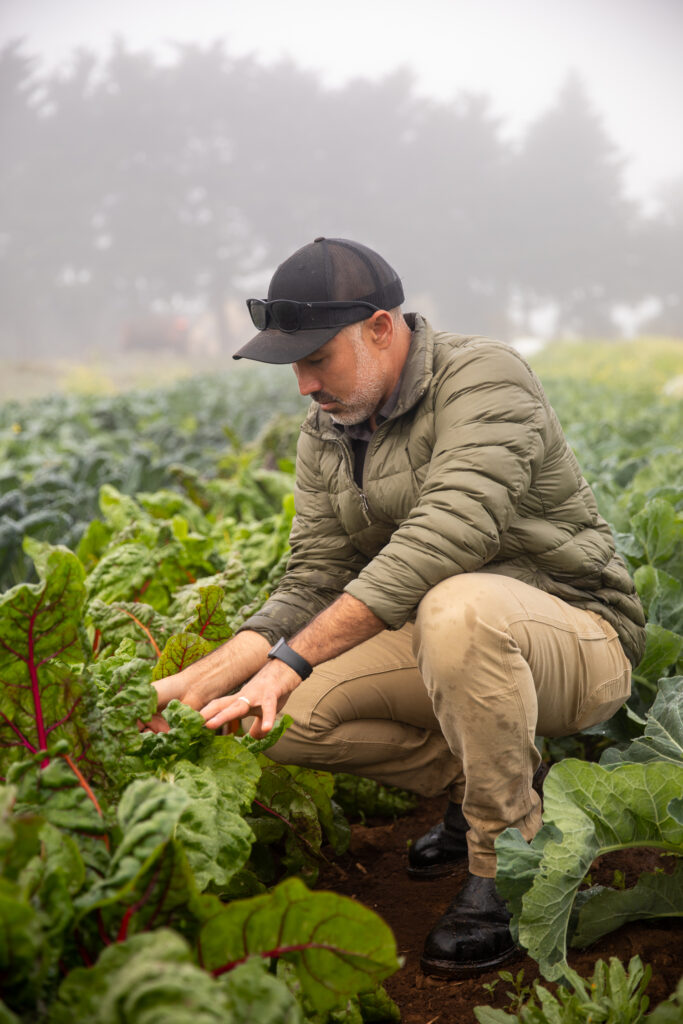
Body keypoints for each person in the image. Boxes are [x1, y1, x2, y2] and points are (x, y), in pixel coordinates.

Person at [153, 237, 646, 978]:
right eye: (293, 363)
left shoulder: (482, 374)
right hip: (449, 643)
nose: (302, 384)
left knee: (457, 605)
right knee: (271, 718)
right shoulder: (325, 431)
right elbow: (313, 575)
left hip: (575, 634)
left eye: (317, 358)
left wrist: (292, 658)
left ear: (381, 328)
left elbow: (453, 526)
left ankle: (506, 864)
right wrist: (207, 676)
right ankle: (474, 778)